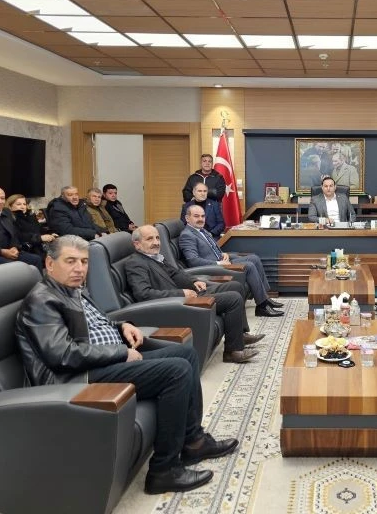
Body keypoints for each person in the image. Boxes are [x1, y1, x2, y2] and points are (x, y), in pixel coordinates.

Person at [15, 235, 240, 494]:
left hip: (102, 360)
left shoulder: (73, 289)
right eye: (70, 261)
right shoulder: (42, 300)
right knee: (176, 371)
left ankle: (194, 442)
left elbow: (97, 323)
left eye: (84, 262)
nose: (79, 268)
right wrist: (121, 353)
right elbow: (62, 355)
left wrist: (122, 325)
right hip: (79, 376)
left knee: (185, 354)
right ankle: (164, 471)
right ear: (50, 263)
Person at [124, 225, 263, 363]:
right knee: (233, 299)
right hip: (176, 303)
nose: (156, 242)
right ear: (137, 244)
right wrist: (181, 293)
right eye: (149, 239)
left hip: (187, 294)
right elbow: (143, 294)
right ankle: (232, 352)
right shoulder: (135, 263)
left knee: (235, 285)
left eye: (157, 238)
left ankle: (240, 335)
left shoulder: (155, 257)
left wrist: (193, 281)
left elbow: (176, 273)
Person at [179, 205, 284, 317]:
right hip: (213, 268)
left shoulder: (201, 230)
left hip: (220, 259)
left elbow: (211, 249)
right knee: (248, 266)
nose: (201, 219)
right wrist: (218, 263)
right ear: (187, 218)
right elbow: (193, 261)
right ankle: (262, 306)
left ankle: (265, 297)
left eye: (203, 216)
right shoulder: (187, 235)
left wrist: (223, 253)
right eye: (196, 216)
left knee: (254, 258)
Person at [6, 194, 57, 259]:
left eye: (24, 204)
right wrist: (40, 238)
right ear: (10, 206)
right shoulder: (10, 219)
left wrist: (50, 234)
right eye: (18, 204)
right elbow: (20, 236)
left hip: (38, 246)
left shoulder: (30, 216)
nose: (22, 207)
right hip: (26, 249)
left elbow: (39, 229)